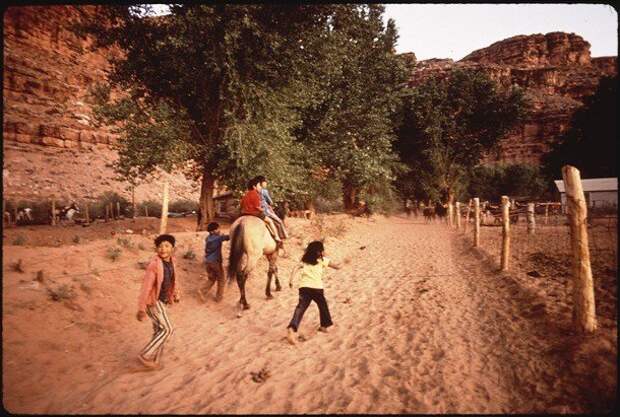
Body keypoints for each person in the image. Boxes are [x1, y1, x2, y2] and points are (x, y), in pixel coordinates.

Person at [136, 234, 180, 370]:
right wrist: (141, 308)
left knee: (158, 331)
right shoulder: (154, 265)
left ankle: (155, 360)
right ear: (156, 249)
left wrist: (175, 294)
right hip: (153, 302)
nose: (163, 249)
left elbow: (173, 279)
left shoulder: (171, 261)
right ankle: (145, 355)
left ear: (173, 248)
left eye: (167, 246)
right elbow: (146, 287)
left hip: (162, 301)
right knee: (167, 329)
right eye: (160, 246)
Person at [286, 240, 341, 345]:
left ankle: (292, 327)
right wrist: (344, 263)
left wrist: (291, 280)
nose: (323, 252)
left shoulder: (304, 261)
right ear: (318, 252)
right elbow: (337, 266)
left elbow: (295, 268)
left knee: (300, 308)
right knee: (323, 306)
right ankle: (324, 326)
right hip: (317, 288)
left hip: (304, 288)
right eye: (322, 250)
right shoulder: (322, 260)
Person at [240, 177, 282, 245]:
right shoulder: (255, 194)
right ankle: (277, 236)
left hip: (244, 214)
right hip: (254, 213)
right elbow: (257, 207)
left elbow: (241, 205)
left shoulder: (245, 195)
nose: (260, 187)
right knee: (270, 221)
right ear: (254, 187)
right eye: (259, 185)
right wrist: (262, 209)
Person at [201, 221, 229, 302]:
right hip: (215, 262)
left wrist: (220, 235)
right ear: (212, 231)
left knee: (212, 278)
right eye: (217, 229)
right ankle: (219, 297)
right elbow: (228, 237)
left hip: (208, 262)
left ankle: (202, 291)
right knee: (221, 279)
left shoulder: (208, 238)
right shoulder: (218, 238)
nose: (219, 230)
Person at [256, 175, 288, 240]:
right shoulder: (264, 191)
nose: (266, 184)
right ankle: (284, 236)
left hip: (256, 211)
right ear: (261, 183)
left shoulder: (255, 191)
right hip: (265, 211)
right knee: (279, 221)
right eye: (265, 182)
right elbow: (270, 202)